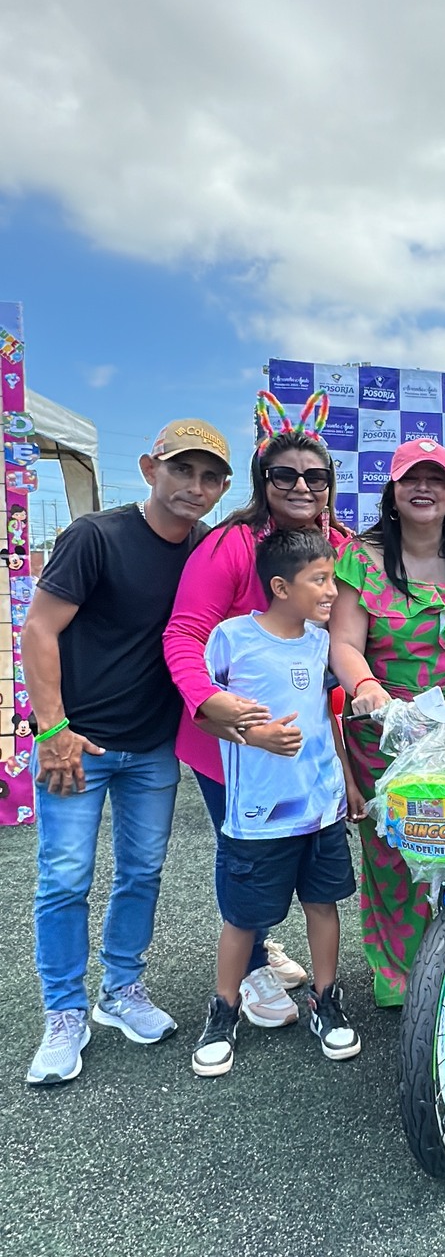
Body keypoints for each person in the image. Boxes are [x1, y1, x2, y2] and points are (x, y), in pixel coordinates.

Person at [23, 419, 233, 1086]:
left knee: (142, 874)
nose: (194, 487)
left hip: (152, 748)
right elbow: (39, 629)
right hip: (76, 743)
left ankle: (120, 991)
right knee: (65, 879)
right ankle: (63, 1012)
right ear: (149, 469)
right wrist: (51, 731)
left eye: (209, 477)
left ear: (223, 488)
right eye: (181, 470)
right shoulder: (96, 537)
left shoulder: (206, 550)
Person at [164, 392, 354, 1031]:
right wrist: (212, 703)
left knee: (312, 869)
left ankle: (274, 961)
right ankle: (247, 971)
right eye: (284, 474)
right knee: (248, 859)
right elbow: (185, 633)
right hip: (230, 743)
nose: (301, 486)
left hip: (312, 743)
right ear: (261, 479)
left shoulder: (342, 546)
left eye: (315, 476)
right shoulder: (231, 543)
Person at [327, 438, 445, 1007]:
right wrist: (366, 686)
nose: (423, 488)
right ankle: (403, 980)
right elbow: (344, 643)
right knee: (394, 856)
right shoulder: (361, 558)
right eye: (411, 478)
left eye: (436, 479)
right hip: (384, 732)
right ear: (393, 490)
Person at [191, 529, 360, 1077]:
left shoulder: (321, 643)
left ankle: (326, 1001)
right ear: (281, 587)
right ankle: (223, 1011)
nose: (332, 591)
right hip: (258, 816)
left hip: (323, 810)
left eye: (333, 578)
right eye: (320, 580)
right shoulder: (230, 638)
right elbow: (202, 712)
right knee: (243, 918)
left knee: (323, 904)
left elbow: (328, 716)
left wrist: (349, 782)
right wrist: (254, 735)